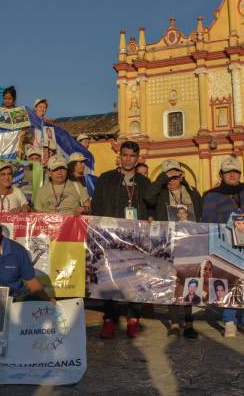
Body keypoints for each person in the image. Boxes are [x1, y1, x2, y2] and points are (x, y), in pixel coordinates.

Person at [91, 140, 154, 338]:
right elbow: (97, 205)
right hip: (111, 237)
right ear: (119, 157)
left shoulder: (144, 182)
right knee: (110, 278)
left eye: (132, 156)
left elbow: (151, 206)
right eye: (125, 155)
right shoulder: (106, 178)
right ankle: (109, 320)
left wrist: (151, 217)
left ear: (137, 158)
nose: (128, 159)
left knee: (134, 279)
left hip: (136, 239)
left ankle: (133, 319)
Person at [201, 156, 244, 338]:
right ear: (222, 175)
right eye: (228, 172)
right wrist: (229, 221)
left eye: (235, 172)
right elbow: (207, 220)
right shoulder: (212, 195)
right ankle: (229, 321)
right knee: (228, 281)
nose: (233, 175)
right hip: (226, 244)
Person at [149, 159, 203, 338]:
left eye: (176, 176)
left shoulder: (190, 192)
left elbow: (200, 209)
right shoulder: (160, 193)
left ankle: (188, 323)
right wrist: (161, 181)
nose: (172, 180)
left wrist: (186, 183)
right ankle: (174, 323)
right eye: (168, 177)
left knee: (189, 282)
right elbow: (148, 197)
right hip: (169, 244)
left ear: (181, 176)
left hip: (189, 244)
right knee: (172, 283)